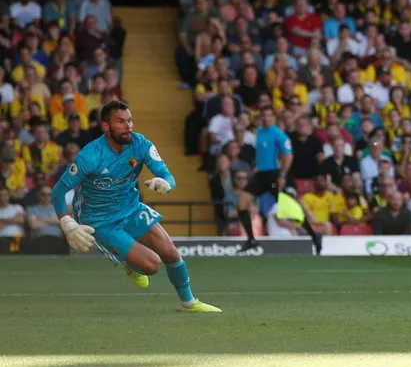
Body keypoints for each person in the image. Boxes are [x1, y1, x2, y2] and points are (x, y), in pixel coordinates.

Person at [50, 100, 220, 312]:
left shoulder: (141, 145)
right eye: (120, 122)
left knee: (171, 253)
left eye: (129, 120)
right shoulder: (90, 155)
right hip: (100, 221)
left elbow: (167, 175)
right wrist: (67, 223)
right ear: (106, 126)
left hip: (131, 209)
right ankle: (131, 265)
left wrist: (165, 183)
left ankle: (189, 303)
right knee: (152, 265)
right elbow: (58, 191)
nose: (128, 126)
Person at [236, 106, 321, 254]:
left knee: (291, 208)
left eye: (270, 116)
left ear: (273, 118)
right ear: (261, 117)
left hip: (273, 175)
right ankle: (251, 239)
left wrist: (282, 175)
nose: (267, 118)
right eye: (264, 116)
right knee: (242, 203)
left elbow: (288, 155)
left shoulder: (278, 134)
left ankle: (314, 235)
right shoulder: (260, 131)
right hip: (261, 174)